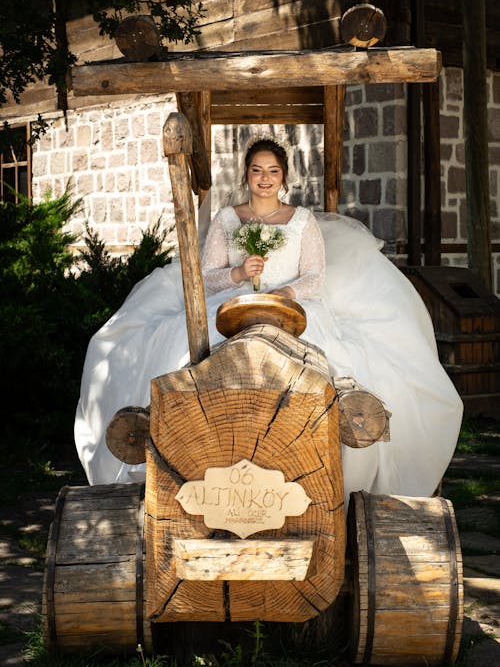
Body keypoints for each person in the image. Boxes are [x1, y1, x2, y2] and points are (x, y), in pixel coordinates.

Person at [74, 137, 463, 501]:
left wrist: (285, 293)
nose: (264, 178)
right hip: (234, 300)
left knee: (332, 360)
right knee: (184, 348)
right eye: (257, 170)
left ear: (284, 177)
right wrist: (240, 274)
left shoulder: (301, 221)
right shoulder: (229, 219)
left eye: (273, 171)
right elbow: (207, 277)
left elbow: (314, 277)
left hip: (291, 302)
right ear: (246, 175)